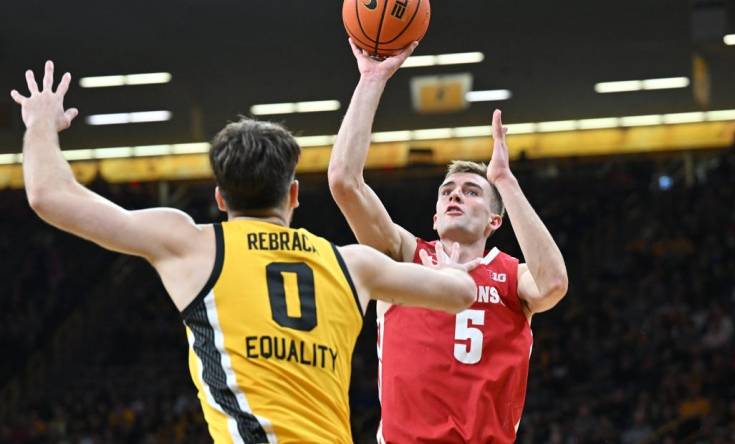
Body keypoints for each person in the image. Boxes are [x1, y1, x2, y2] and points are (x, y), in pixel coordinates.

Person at [10, 61, 480, 444]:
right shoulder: (351, 263)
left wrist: (40, 127)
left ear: (220, 198)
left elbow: (50, 196)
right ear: (294, 194)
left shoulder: (192, 244)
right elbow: (461, 292)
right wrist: (448, 248)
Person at [328, 40, 570, 443]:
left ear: (495, 219)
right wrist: (371, 78)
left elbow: (554, 284)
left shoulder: (511, 277)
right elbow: (344, 182)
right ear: (435, 217)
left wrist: (505, 182)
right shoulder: (404, 258)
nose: (456, 194)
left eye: (472, 191)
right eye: (448, 191)